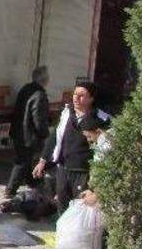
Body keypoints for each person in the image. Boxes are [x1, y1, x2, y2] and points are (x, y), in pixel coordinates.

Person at [33, 81, 110, 213]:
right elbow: (55, 137)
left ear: (91, 99)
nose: (76, 98)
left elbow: (108, 147)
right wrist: (43, 160)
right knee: (61, 205)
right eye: (75, 94)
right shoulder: (67, 113)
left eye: (82, 95)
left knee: (80, 208)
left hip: (84, 172)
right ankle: (62, 231)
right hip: (63, 168)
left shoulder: (102, 120)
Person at [5, 66, 50, 198]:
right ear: (45, 79)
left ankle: (34, 183)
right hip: (28, 136)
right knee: (22, 162)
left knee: (25, 160)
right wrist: (44, 134)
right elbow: (39, 119)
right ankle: (10, 190)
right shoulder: (39, 95)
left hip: (18, 132)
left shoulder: (26, 89)